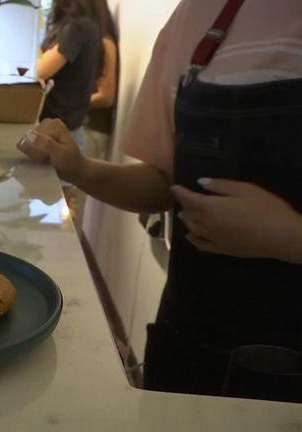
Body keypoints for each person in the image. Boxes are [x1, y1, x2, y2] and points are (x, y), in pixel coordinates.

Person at [19, 0, 302, 400]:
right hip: (190, 343)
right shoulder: (197, 16)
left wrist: (288, 237)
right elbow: (164, 183)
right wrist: (79, 168)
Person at [36, 0, 104, 152]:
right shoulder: (90, 27)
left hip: (60, 132)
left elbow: (41, 71)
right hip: (71, 127)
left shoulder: (76, 29)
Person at [84, 0, 118, 161]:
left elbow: (106, 97)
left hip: (93, 128)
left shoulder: (105, 43)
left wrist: (71, 103)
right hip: (84, 125)